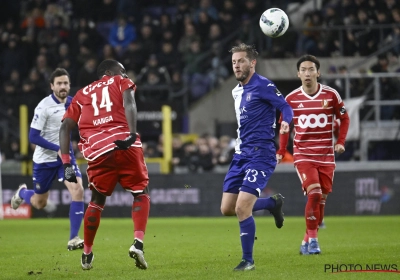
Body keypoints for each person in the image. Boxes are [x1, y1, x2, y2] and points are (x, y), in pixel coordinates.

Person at [59, 59, 150, 270]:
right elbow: (130, 102)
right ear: (109, 72)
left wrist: (66, 164)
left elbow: (65, 128)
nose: (125, 73)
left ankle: (87, 253)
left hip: (98, 150)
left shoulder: (81, 94)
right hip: (125, 144)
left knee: (97, 200)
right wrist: (132, 133)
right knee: (141, 192)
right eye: (122, 70)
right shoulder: (121, 81)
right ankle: (138, 243)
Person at [220, 43, 294, 271]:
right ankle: (272, 204)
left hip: (261, 154)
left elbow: (286, 106)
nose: (237, 65)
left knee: (243, 208)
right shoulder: (236, 91)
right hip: (241, 154)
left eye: (241, 61)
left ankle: (248, 261)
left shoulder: (263, 85)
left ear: (252, 63)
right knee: (227, 209)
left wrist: (285, 122)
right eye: (234, 62)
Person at [276, 55, 350, 255]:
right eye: (303, 70)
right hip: (303, 155)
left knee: (321, 201)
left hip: (326, 156)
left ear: (318, 72)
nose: (307, 73)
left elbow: (344, 118)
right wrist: (281, 151)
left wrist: (341, 142)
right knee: (315, 193)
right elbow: (284, 127)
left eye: (311, 69)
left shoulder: (331, 95)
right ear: (298, 74)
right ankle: (314, 242)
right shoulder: (290, 99)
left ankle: (305, 241)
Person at [11, 68, 85, 251]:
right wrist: (56, 148)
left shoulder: (74, 104)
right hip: (44, 162)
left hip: (65, 160)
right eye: (59, 83)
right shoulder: (43, 107)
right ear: (52, 86)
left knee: (77, 190)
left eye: (65, 83)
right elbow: (33, 137)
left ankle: (74, 238)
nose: (63, 87)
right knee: (39, 202)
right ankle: (22, 193)